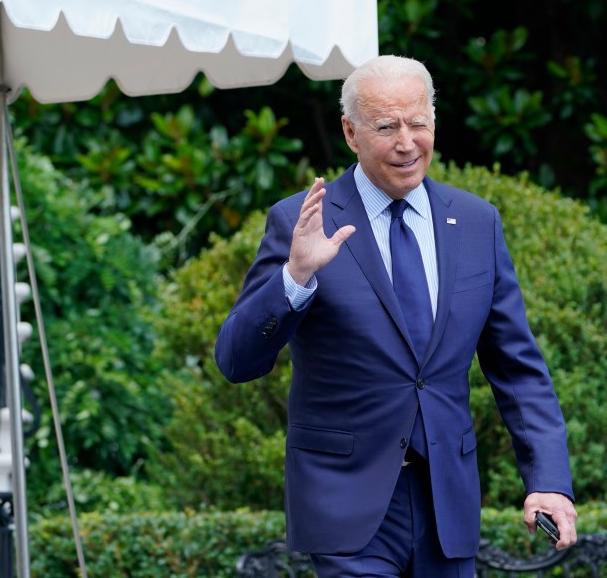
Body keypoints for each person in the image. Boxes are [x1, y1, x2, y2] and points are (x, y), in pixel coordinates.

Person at [215, 55, 577, 577]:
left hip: (446, 504)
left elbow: (518, 368)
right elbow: (236, 360)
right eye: (387, 127)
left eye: (418, 123)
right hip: (347, 504)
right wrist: (294, 278)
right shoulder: (301, 221)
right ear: (350, 132)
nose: (407, 142)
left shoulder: (476, 222)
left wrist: (547, 479)